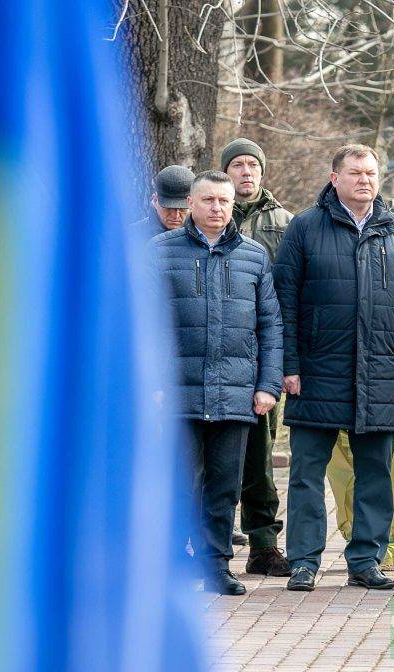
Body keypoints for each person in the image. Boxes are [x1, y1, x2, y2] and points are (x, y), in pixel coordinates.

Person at [274, 144, 394, 592]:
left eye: (372, 173)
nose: (365, 180)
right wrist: (289, 364)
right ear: (334, 177)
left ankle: (366, 559)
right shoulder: (305, 228)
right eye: (356, 172)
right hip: (317, 374)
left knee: (376, 474)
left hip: (380, 373)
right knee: (305, 474)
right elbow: (283, 303)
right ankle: (303, 561)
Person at [150, 170, 283, 595]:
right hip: (177, 393)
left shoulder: (255, 256)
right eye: (208, 201)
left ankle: (215, 564)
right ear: (190, 204)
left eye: (224, 202)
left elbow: (271, 326)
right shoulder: (160, 252)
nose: (217, 209)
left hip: (236, 392)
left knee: (225, 487)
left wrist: (268, 385)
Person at [218, 137, 295, 576]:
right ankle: (211, 543)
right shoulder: (209, 217)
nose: (246, 172)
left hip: (263, 355)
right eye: (238, 165)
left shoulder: (285, 223)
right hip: (218, 354)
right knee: (212, 457)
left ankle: (264, 543)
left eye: (253, 165)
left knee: (259, 457)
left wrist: (284, 362)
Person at [133, 164, 194, 236]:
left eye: (182, 208)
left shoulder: (207, 236)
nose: (175, 216)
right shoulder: (129, 236)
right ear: (154, 200)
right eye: (168, 208)